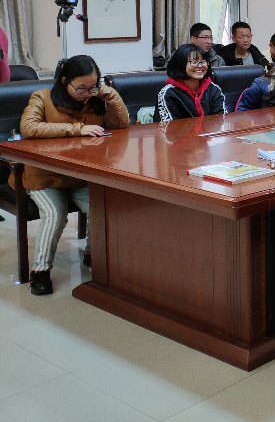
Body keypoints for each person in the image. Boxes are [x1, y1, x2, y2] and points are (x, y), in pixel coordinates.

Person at [16, 55, 129, 295]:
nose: (87, 93)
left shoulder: (96, 101)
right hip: (44, 176)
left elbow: (120, 125)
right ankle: (40, 271)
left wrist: (109, 94)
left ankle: (93, 252)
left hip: (80, 175)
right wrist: (79, 129)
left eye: (93, 87)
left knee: (103, 206)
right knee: (55, 214)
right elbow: (29, 127)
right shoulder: (42, 97)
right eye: (81, 88)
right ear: (64, 81)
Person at [156, 44, 227, 121]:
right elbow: (170, 126)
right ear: (180, 64)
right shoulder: (168, 93)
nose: (200, 66)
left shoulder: (214, 89)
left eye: (203, 61)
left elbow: (221, 120)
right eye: (194, 62)